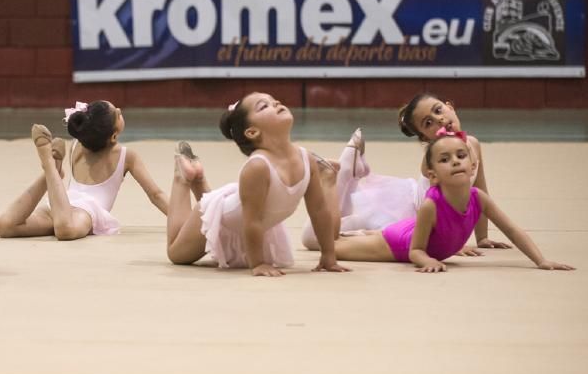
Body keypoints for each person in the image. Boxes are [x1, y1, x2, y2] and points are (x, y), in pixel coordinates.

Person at [331, 129, 575, 272]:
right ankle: (336, 183)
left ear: (473, 167)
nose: (456, 161)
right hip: (397, 244)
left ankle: (351, 217)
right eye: (445, 159)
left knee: (336, 239)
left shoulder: (479, 198)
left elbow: (511, 229)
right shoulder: (431, 205)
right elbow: (416, 250)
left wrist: (540, 260)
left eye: (460, 156)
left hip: (409, 231)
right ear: (433, 175)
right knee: (329, 248)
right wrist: (428, 261)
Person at [165, 92, 349, 276]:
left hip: (243, 222)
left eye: (275, 100)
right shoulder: (258, 167)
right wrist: (258, 263)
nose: (276, 103)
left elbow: (319, 210)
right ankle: (181, 179)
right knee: (176, 254)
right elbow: (252, 221)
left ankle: (198, 179)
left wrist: (328, 254)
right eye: (264, 106)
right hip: (220, 216)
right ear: (252, 132)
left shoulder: (306, 159)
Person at [302, 92, 510, 251]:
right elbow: (431, 206)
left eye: (438, 111)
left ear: (450, 107)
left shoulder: (473, 144)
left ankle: (349, 172)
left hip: (407, 206)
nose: (438, 120)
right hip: (408, 216)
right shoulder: (434, 159)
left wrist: (481, 237)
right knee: (314, 238)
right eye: (428, 123)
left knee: (334, 226)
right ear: (426, 138)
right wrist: (450, 244)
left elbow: (480, 192)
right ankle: (343, 171)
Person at [0, 100, 168, 240]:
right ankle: (49, 166)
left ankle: (53, 172)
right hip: (80, 208)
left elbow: (155, 195)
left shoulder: (78, 144)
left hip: (64, 203)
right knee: (60, 230)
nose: (120, 110)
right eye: (118, 114)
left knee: (8, 226)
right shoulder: (126, 155)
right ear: (114, 136)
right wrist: (178, 220)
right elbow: (156, 194)